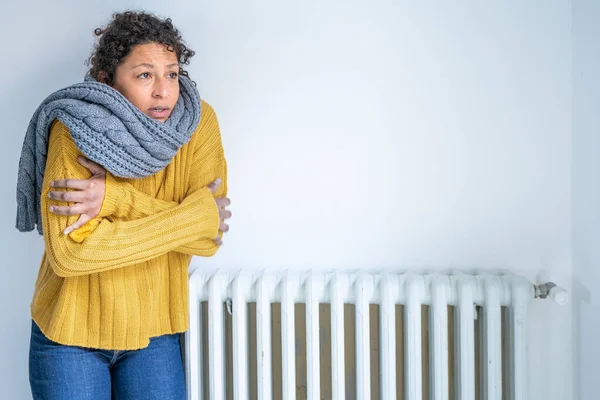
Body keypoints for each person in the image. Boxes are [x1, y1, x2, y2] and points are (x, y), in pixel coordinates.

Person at [15, 10, 231, 399]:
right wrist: (193, 215)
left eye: (172, 73)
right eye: (145, 74)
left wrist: (116, 200)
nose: (164, 90)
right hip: (69, 338)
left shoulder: (199, 124)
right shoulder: (75, 126)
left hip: (154, 334)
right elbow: (71, 254)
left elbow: (208, 238)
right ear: (108, 83)